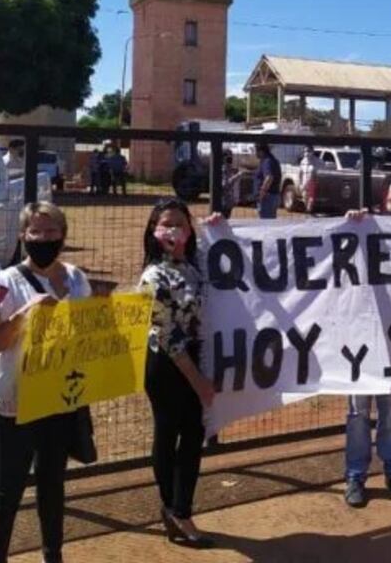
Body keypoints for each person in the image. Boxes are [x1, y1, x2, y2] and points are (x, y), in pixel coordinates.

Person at [0, 201, 90, 563]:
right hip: (15, 400)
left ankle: (53, 554)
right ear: (23, 236)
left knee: (52, 484)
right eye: (36, 232)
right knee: (7, 491)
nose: (44, 239)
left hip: (60, 397)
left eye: (51, 232)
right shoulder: (5, 281)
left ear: (63, 235)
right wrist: (24, 315)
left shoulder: (77, 278)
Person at [139, 197, 218, 548]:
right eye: (165, 224)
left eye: (180, 224)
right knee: (169, 434)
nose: (173, 231)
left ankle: (177, 508)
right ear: (154, 232)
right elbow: (165, 333)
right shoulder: (154, 275)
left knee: (192, 436)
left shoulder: (194, 264)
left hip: (193, 358)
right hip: (168, 365)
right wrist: (198, 380)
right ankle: (176, 510)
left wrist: (217, 226)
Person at [341, 177, 391, 508]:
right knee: (358, 412)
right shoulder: (366, 228)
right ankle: (355, 476)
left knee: (390, 413)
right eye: (390, 200)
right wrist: (351, 224)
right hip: (361, 339)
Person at [254, 142, 282, 219]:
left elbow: (269, 177)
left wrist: (261, 194)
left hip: (267, 198)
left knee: (265, 225)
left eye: (255, 151)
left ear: (261, 151)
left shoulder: (267, 161)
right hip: (273, 196)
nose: (255, 153)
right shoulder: (274, 160)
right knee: (270, 223)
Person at [298, 146, 320, 213]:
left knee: (311, 199)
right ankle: (307, 211)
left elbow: (318, 173)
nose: (306, 153)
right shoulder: (303, 161)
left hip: (312, 183)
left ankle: (309, 211)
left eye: (308, 151)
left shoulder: (316, 161)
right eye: (305, 151)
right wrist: (300, 183)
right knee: (305, 198)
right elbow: (300, 173)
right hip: (304, 182)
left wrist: (316, 183)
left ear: (312, 152)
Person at [221, 150, 242, 219]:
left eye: (230, 156)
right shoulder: (223, 169)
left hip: (229, 201)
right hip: (224, 202)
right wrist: (237, 176)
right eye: (227, 156)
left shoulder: (230, 169)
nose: (230, 158)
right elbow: (225, 185)